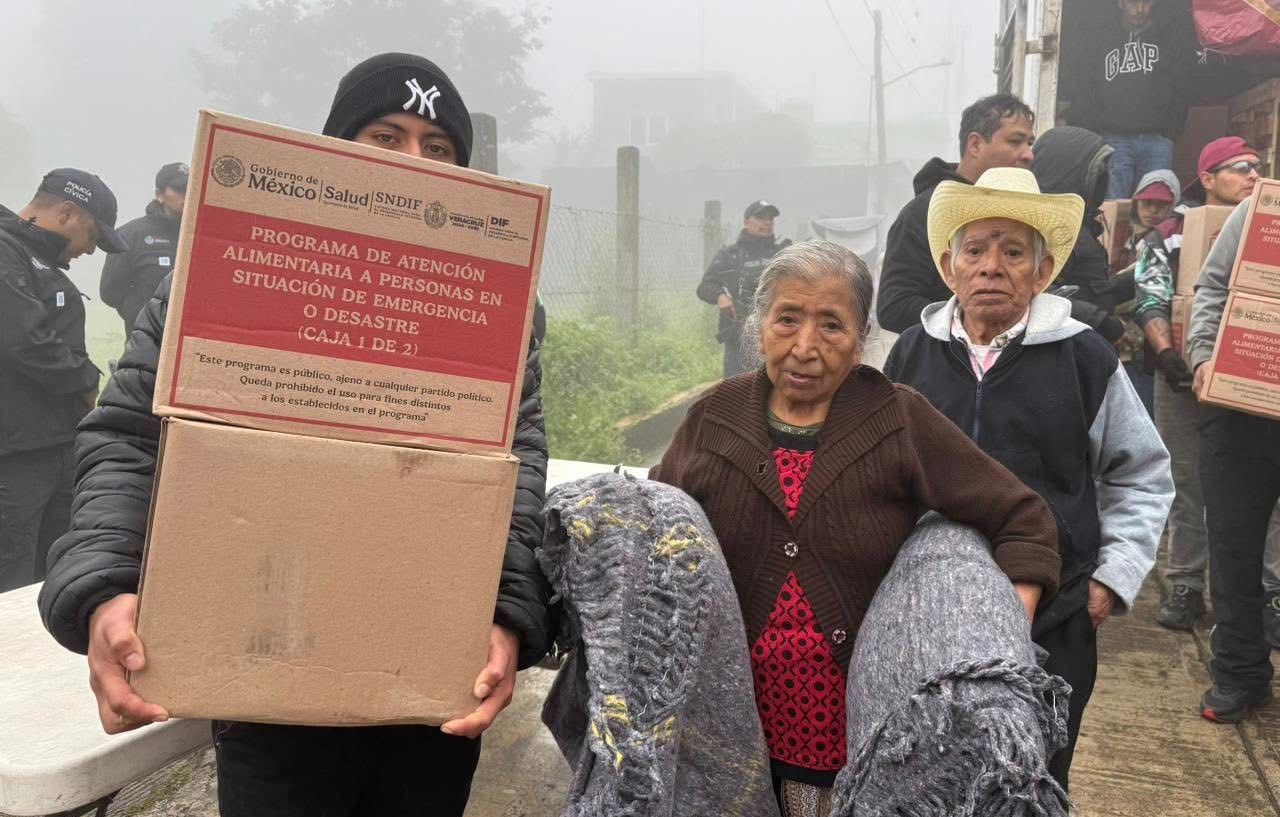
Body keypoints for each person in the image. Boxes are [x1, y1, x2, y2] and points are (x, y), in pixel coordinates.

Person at [38, 53, 552, 816]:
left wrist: (507, 618)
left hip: (428, 684)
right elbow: (126, 439)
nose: (413, 162)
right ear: (337, 149)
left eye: (438, 149)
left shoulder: (497, 312)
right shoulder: (220, 275)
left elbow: (517, 471)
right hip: (267, 671)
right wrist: (106, 590)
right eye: (385, 136)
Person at [653, 239, 1063, 812]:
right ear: (759, 323)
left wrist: (999, 632)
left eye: (831, 326)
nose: (804, 347)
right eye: (787, 319)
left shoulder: (895, 418)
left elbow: (1022, 517)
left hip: (849, 735)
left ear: (861, 335)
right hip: (729, 722)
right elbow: (656, 528)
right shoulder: (714, 418)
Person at [882, 167, 1173, 790]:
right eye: (976, 249)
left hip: (1054, 614)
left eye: (1014, 252)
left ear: (1041, 274)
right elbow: (881, 475)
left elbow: (1141, 473)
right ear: (948, 264)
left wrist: (1111, 578)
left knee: (1033, 777)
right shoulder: (911, 353)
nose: (992, 266)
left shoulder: (1083, 355)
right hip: (930, 611)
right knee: (931, 776)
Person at [1132, 137, 1275, 632]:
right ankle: (1187, 584)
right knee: (1186, 484)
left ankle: (1271, 595)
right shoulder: (1169, 234)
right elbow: (1150, 296)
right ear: (1208, 178)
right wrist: (1177, 358)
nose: (1253, 175)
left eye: (1258, 167)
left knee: (1266, 498)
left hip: (1254, 388)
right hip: (1178, 381)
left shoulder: (1270, 227)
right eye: (1239, 168)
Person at [0, 168, 127, 593]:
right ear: (68, 212)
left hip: (51, 448)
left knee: (46, 575)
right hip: (14, 457)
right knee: (10, 579)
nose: (91, 251)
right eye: (93, 236)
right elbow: (23, 339)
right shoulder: (5, 249)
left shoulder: (39, 262)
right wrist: (87, 381)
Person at [1188, 198, 1280, 723]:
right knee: (1233, 548)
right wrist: (1203, 356)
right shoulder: (1259, 212)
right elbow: (1214, 287)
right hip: (1241, 412)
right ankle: (1240, 673)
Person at [876, 93, 1035, 333]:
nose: (1028, 155)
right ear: (975, 144)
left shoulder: (1024, 212)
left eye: (1030, 143)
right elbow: (894, 307)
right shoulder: (923, 214)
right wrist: (975, 317)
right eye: (1015, 141)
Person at [1073, 0, 1192, 199]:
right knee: (1112, 202)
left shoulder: (1168, 40)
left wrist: (1171, 130)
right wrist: (1098, 128)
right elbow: (1088, 87)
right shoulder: (1102, 40)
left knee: (1156, 203)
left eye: (1145, 3)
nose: (1139, 10)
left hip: (1157, 138)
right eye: (1132, 3)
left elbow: (1181, 86)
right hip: (1115, 137)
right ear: (1120, 4)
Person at [1029, 127, 1132, 349]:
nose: (1104, 178)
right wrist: (1103, 323)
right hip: (1059, 353)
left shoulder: (1077, 224)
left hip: (1082, 349)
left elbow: (1085, 286)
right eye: (1099, 170)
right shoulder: (1046, 227)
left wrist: (1130, 282)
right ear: (1071, 170)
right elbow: (1034, 296)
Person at [698, 200, 792, 376]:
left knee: (779, 392)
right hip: (739, 336)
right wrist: (720, 296)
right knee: (736, 394)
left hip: (780, 334)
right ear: (746, 222)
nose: (767, 222)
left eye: (771, 218)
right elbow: (704, 286)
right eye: (761, 217)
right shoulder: (730, 255)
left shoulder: (785, 253)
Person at [99, 162, 188, 337]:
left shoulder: (205, 235)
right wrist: (140, 316)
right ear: (159, 195)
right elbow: (110, 293)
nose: (187, 195)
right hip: (145, 346)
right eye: (179, 189)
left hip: (191, 345)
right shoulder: (130, 235)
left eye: (191, 188)